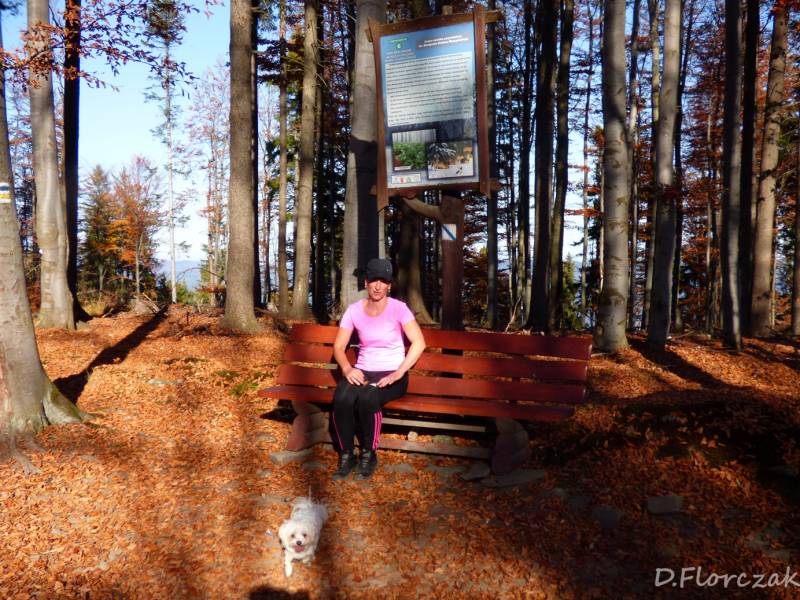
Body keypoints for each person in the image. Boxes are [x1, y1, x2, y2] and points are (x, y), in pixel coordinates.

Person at [330, 258, 426, 481]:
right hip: (363, 370)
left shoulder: (399, 309)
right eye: (374, 280)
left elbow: (419, 342)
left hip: (392, 374)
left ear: (389, 285)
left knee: (368, 397)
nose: (378, 286)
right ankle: (346, 454)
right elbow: (339, 346)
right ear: (366, 282)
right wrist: (347, 368)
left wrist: (399, 372)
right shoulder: (354, 310)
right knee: (342, 397)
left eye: (383, 281)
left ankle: (368, 454)